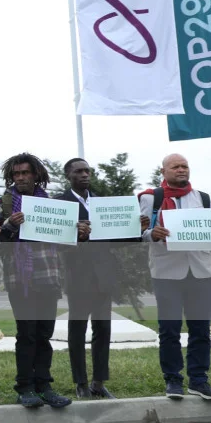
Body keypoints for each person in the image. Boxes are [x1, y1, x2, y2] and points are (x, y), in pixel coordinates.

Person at [140, 153, 211, 401]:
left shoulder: (202, 198)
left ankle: (199, 380)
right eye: (175, 166)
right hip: (166, 273)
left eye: (185, 166)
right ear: (163, 171)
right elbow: (136, 230)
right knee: (170, 330)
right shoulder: (151, 198)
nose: (181, 170)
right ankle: (173, 380)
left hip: (201, 272)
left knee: (201, 330)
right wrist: (151, 233)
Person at [56, 158, 150, 399]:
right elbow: (54, 243)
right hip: (77, 276)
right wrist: (75, 234)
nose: (85, 174)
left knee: (103, 330)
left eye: (87, 170)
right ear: (69, 175)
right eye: (79, 171)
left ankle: (99, 382)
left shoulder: (103, 205)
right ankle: (80, 382)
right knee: (77, 331)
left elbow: (120, 239)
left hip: (104, 275)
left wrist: (136, 229)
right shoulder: (60, 205)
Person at [0, 153, 72, 409]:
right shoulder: (3, 203)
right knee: (26, 334)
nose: (21, 178)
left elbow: (65, 242)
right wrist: (8, 225)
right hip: (20, 278)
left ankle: (44, 385)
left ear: (36, 174)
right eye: (16, 174)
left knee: (44, 335)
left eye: (26, 173)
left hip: (49, 276)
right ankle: (24, 387)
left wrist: (77, 231)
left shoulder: (52, 204)